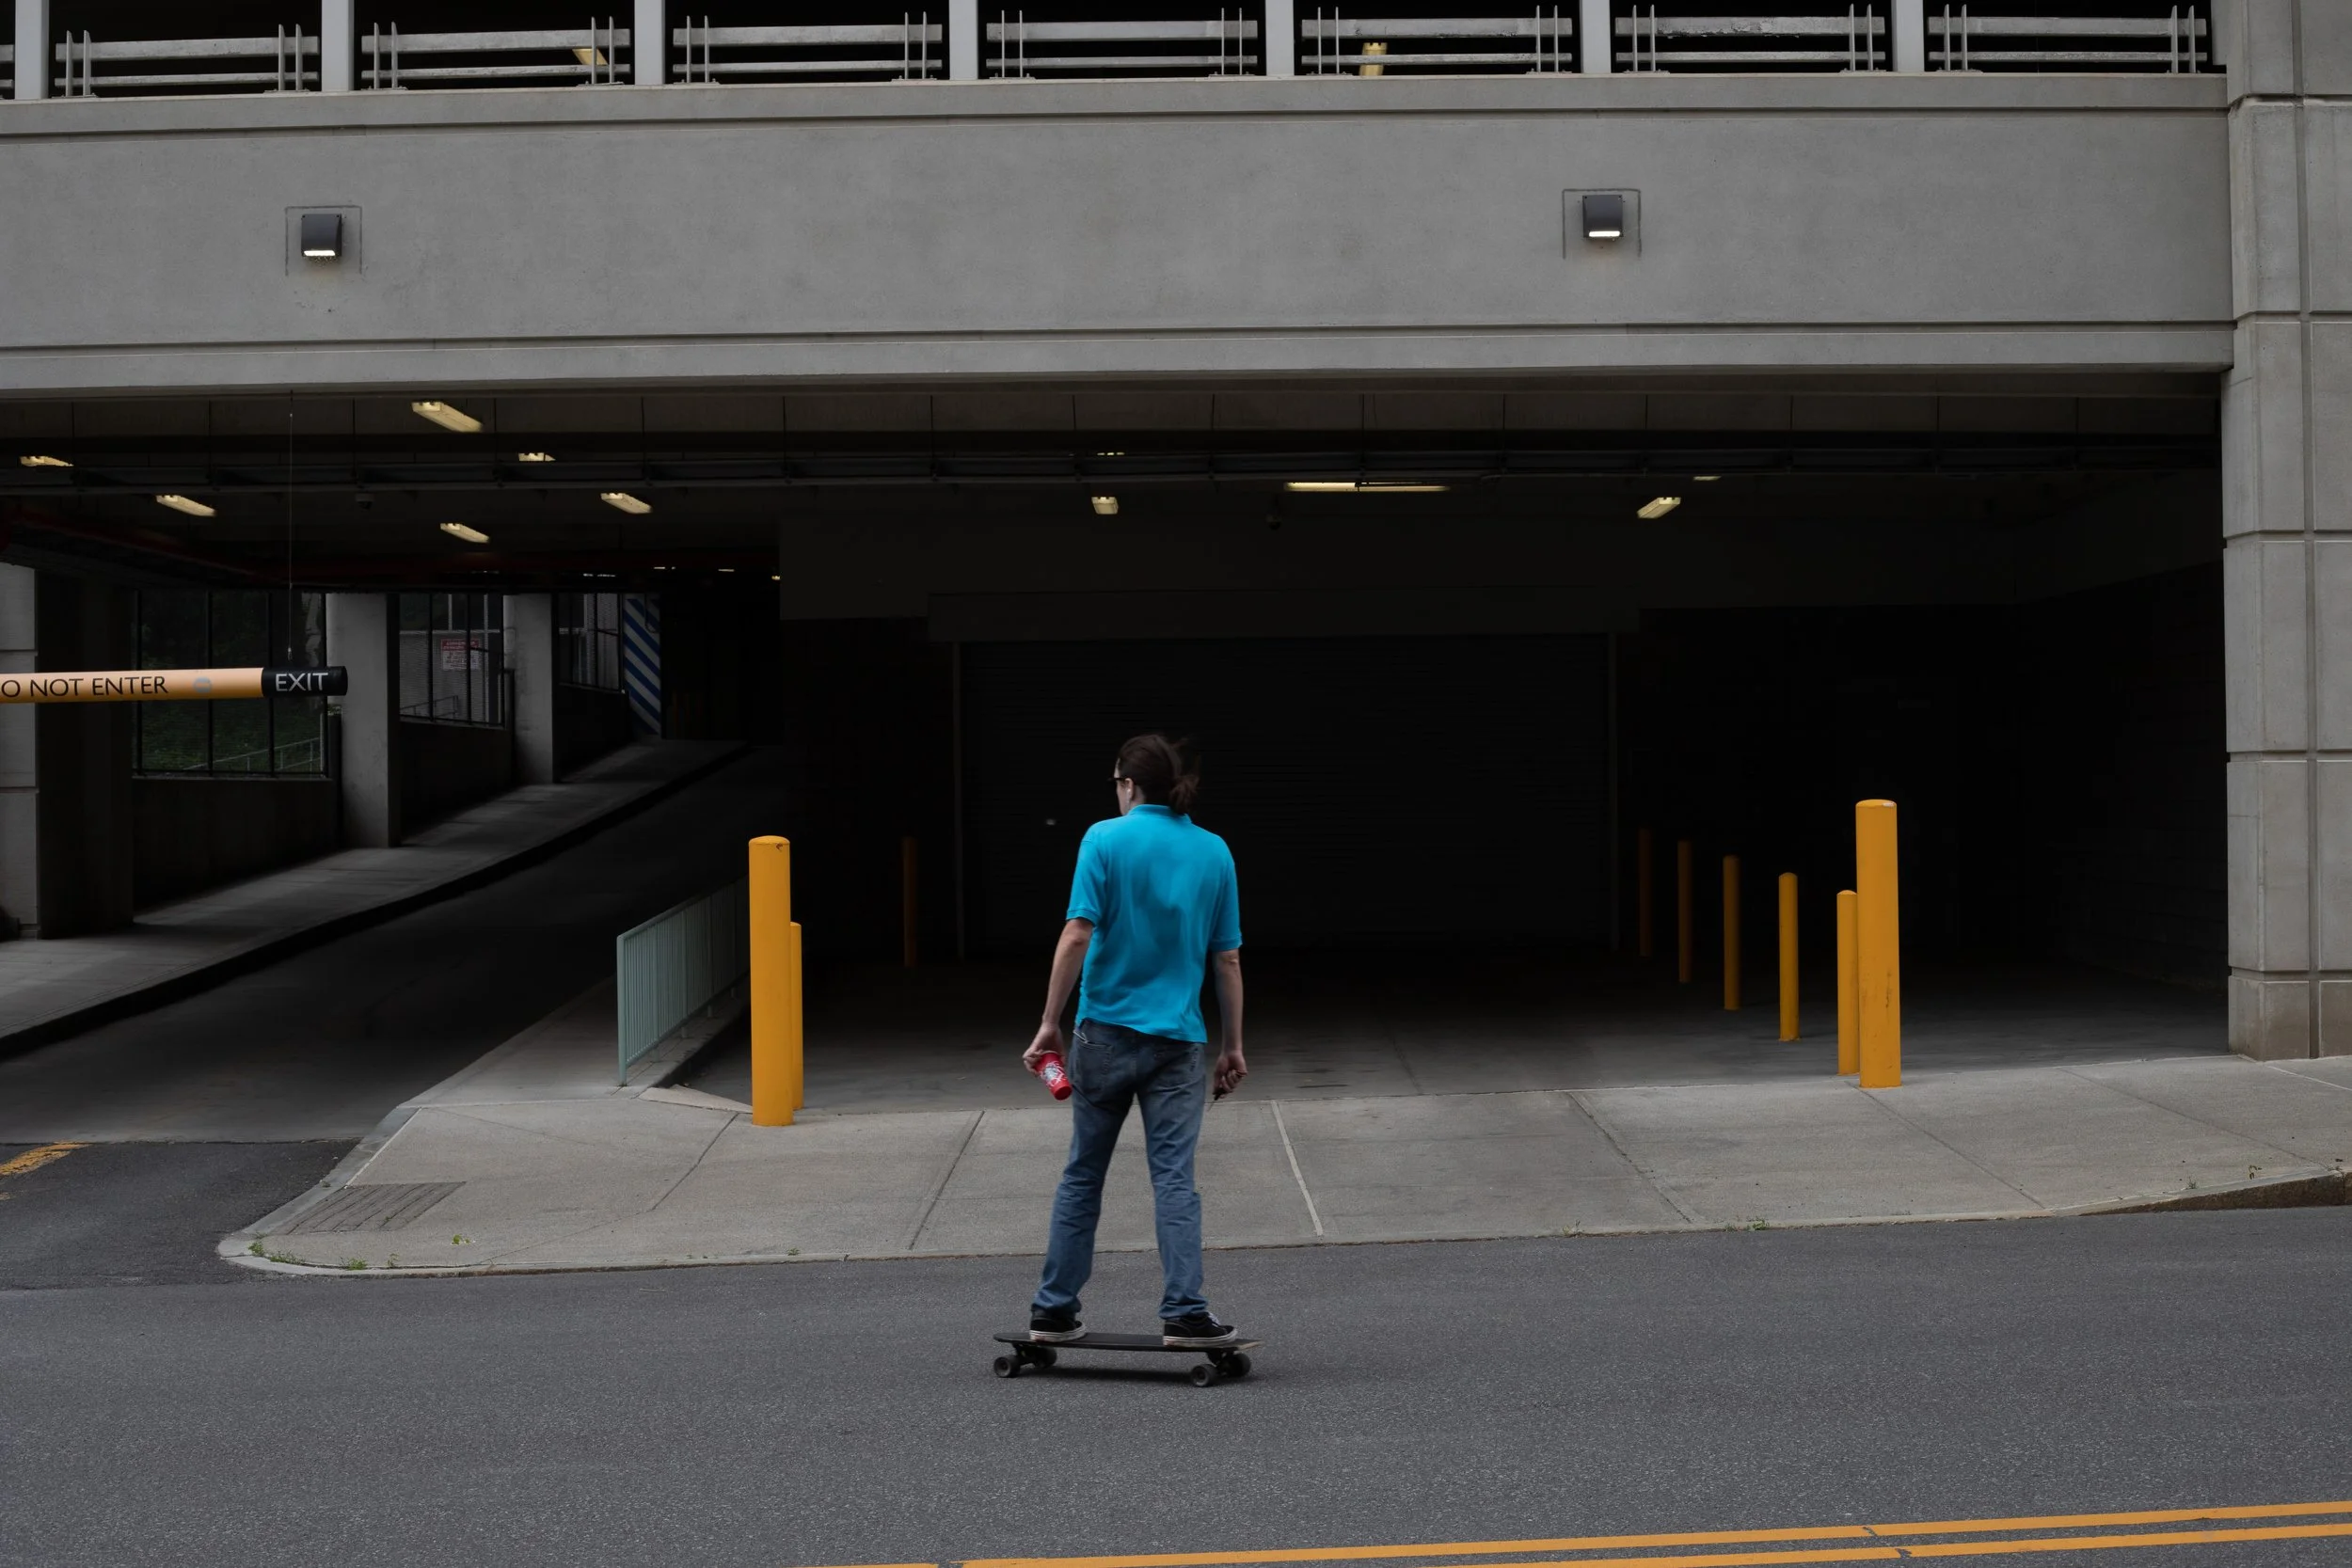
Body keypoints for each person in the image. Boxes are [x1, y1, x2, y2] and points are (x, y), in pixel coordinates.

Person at [1023, 733, 1247, 1348]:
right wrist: (1233, 1045)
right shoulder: (1213, 851)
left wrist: (1050, 1022)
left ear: (1127, 783)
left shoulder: (1103, 838)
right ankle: (1184, 1310)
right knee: (1174, 1178)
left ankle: (1053, 1310)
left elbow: (1076, 934)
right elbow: (1225, 959)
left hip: (1103, 1037)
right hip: (1177, 1043)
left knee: (1083, 1174)